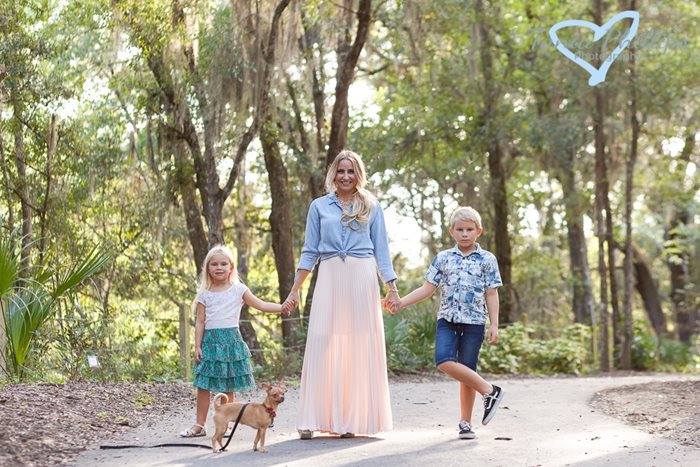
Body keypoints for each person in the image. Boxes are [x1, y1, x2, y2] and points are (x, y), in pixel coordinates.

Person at [283, 149, 400, 439]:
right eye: (341, 171)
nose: (345, 176)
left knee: (359, 344)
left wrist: (392, 288)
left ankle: (351, 420)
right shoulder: (319, 206)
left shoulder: (372, 206)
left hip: (362, 276)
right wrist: (295, 289)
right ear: (333, 173)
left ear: (358, 175)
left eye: (351, 171)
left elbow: (381, 251)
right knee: (323, 340)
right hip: (330, 275)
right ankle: (312, 418)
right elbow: (310, 250)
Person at [385, 206, 504, 440]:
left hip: (474, 322)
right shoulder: (444, 258)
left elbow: (491, 293)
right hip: (447, 320)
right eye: (460, 229)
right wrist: (401, 302)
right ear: (452, 231)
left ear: (478, 231)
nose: (465, 234)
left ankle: (465, 423)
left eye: (470, 229)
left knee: (467, 372)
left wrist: (494, 324)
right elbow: (428, 288)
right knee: (443, 361)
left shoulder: (487, 260)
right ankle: (490, 391)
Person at [179, 244, 287, 438]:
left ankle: (227, 422)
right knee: (203, 385)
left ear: (231, 267)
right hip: (210, 343)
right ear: (207, 268)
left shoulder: (238, 290)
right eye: (214, 264)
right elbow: (200, 321)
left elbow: (260, 304)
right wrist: (197, 345)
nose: (219, 268)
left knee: (228, 384)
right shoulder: (204, 294)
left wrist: (282, 307)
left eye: (223, 264)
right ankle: (199, 425)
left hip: (231, 341)